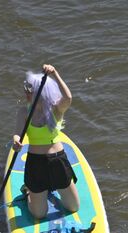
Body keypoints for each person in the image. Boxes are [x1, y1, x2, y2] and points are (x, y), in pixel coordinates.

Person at [13, 63, 79, 220]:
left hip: (58, 161)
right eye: (26, 89)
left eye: (29, 90)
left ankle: (47, 189)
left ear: (40, 93)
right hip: (36, 164)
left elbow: (68, 97)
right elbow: (17, 134)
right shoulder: (24, 112)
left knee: (73, 208)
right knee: (39, 214)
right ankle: (29, 191)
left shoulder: (56, 110)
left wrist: (55, 73)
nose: (25, 92)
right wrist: (16, 141)